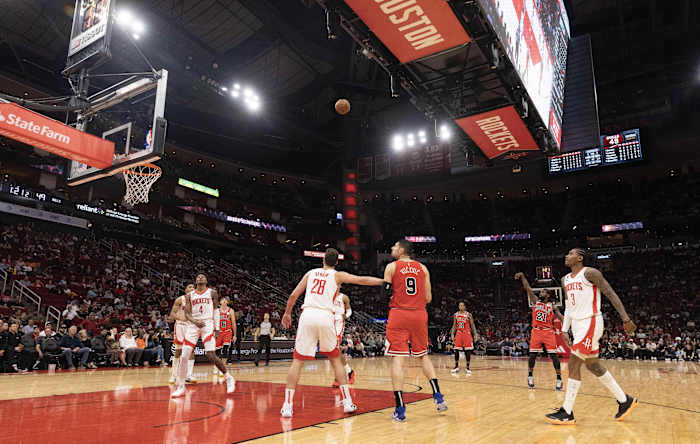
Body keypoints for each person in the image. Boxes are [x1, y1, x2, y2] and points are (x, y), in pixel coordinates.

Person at [280, 248, 384, 417]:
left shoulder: (311, 273)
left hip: (308, 315)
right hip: (326, 316)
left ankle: (287, 405)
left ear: (323, 260)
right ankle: (348, 402)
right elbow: (360, 280)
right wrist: (382, 282)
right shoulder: (337, 275)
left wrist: (287, 313)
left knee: (297, 362)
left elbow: (293, 295)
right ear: (336, 262)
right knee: (335, 360)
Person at [546, 248, 639, 425]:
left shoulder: (590, 273)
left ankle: (567, 411)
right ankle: (624, 400)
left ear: (580, 258)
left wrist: (625, 318)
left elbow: (610, 293)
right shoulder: (565, 280)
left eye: (571, 253)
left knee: (573, 363)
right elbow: (569, 306)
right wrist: (565, 330)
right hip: (578, 325)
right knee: (593, 365)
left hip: (591, 322)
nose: (567, 255)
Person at [383, 239, 447, 422]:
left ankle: (400, 408)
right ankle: (438, 397)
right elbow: (428, 298)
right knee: (423, 355)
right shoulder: (423, 268)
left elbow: (384, 293)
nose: (392, 248)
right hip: (419, 314)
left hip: (399, 313)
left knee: (398, 359)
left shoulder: (391, 267)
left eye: (394, 246)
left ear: (402, 250)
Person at [171, 274, 235, 397]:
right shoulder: (190, 295)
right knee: (184, 356)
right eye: (198, 277)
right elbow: (187, 313)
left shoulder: (212, 293)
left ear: (206, 280)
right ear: (196, 281)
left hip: (207, 324)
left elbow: (216, 310)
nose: (200, 278)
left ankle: (228, 377)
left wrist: (217, 328)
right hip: (194, 325)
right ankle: (181, 386)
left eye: (203, 277)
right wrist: (194, 321)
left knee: (210, 354)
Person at [514, 272, 564, 390]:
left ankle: (559, 379)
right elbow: (527, 288)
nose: (540, 293)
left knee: (553, 356)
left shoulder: (553, 306)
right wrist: (522, 276)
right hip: (536, 331)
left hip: (548, 332)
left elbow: (561, 317)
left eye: (543, 292)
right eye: (540, 291)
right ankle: (530, 376)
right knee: (532, 355)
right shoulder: (536, 301)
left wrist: (567, 327)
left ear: (547, 295)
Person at [168, 284, 197, 384]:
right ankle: (173, 375)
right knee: (178, 351)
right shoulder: (180, 300)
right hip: (180, 326)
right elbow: (172, 314)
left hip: (191, 327)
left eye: (193, 287)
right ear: (185, 290)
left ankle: (189, 375)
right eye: (190, 287)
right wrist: (181, 318)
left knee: (191, 351)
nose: (192, 288)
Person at [332, 293, 355, 387]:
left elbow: (349, 311)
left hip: (338, 324)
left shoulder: (344, 297)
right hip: (328, 322)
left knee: (335, 351)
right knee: (334, 352)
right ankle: (349, 371)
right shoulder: (328, 294)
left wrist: (346, 315)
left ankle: (338, 377)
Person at [450, 301, 479, 375]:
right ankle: (456, 366)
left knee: (467, 351)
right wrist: (452, 334)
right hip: (459, 333)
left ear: (465, 307)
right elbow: (454, 325)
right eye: (460, 305)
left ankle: (468, 367)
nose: (461, 307)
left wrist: (475, 334)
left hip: (467, 333)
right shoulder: (455, 315)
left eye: (462, 305)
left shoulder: (469, 315)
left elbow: (472, 325)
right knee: (456, 350)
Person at [214, 298, 236, 368]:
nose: (224, 301)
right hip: (219, 332)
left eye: (225, 300)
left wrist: (235, 335)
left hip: (227, 332)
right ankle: (218, 365)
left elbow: (233, 323)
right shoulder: (216, 311)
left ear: (227, 302)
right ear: (220, 302)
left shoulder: (231, 311)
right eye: (222, 300)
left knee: (225, 348)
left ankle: (223, 366)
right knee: (217, 350)